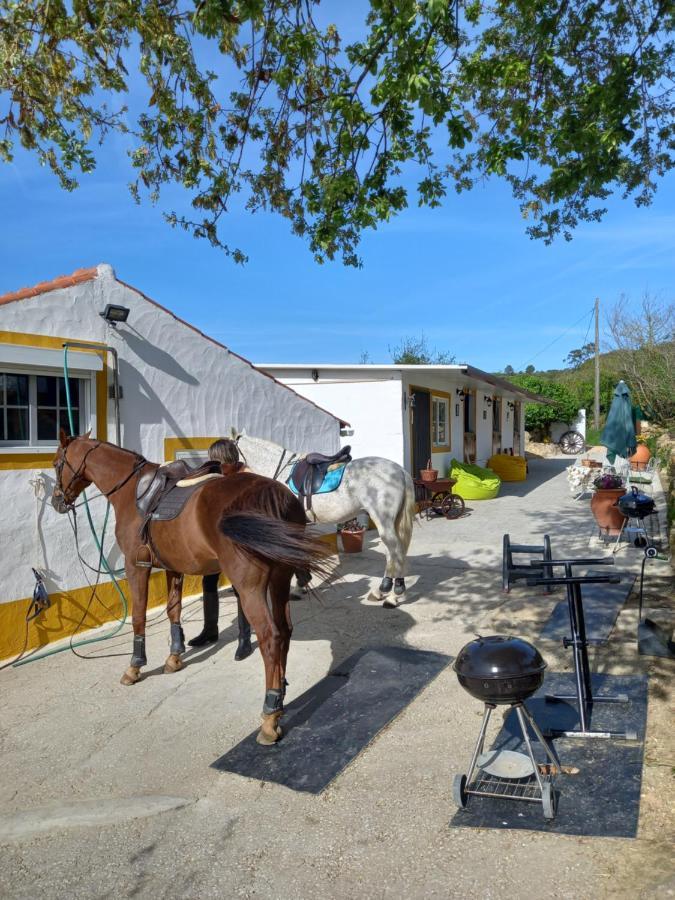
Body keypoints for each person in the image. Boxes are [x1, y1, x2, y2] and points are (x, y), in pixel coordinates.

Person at [188, 438, 253, 661]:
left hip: (239, 542)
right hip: (215, 540)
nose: (213, 464)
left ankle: (245, 637)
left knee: (239, 587)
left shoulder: (244, 476)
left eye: (216, 460)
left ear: (226, 459)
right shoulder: (218, 476)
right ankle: (210, 629)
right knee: (208, 581)